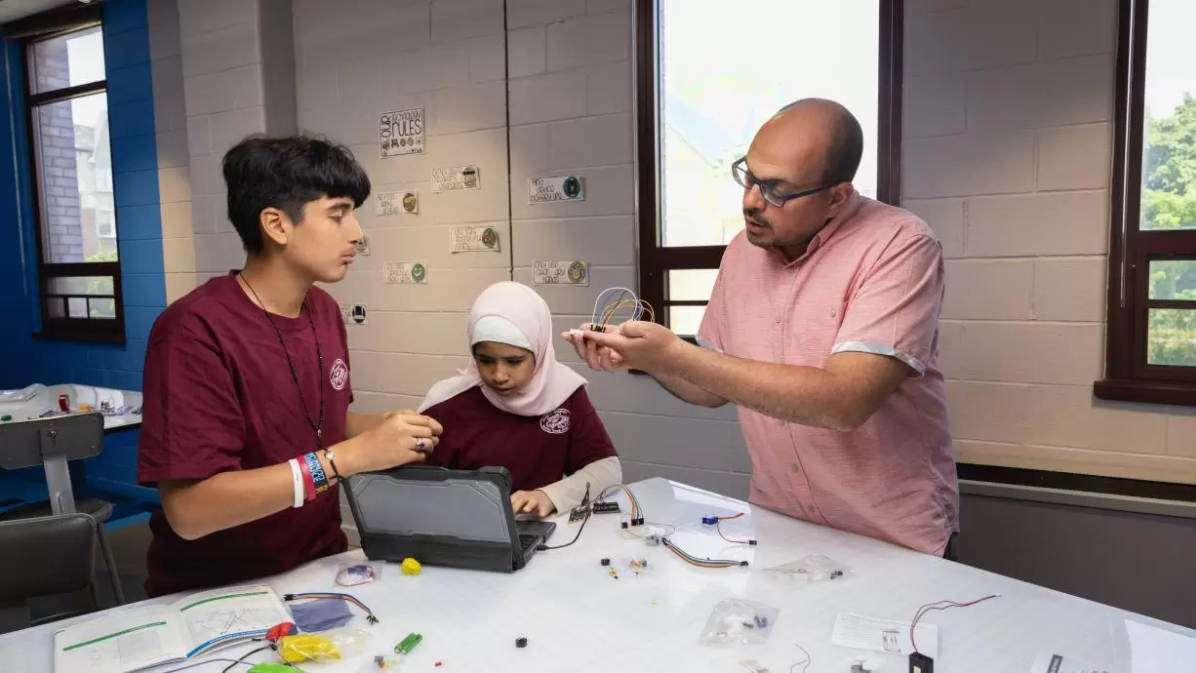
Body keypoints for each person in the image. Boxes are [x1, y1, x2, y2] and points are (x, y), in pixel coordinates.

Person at [566, 99, 959, 558]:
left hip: (889, 534)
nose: (751, 201)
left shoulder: (899, 246)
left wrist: (675, 354)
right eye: (748, 177)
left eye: (776, 190)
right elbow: (710, 386)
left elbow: (845, 402)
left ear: (836, 196)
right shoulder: (742, 252)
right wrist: (646, 359)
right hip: (781, 522)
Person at [138, 136, 443, 597]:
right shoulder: (193, 331)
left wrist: (376, 430)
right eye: (338, 215)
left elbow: (314, 425)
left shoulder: (322, 310)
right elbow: (191, 511)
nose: (357, 232)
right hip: (218, 589)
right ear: (277, 225)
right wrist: (349, 458)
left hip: (319, 569)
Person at [418, 281, 621, 517]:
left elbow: (607, 469)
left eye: (514, 361)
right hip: (464, 533)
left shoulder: (564, 394)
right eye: (485, 360)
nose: (499, 375)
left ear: (540, 352)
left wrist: (550, 495)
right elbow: (415, 486)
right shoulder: (446, 404)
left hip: (541, 533)